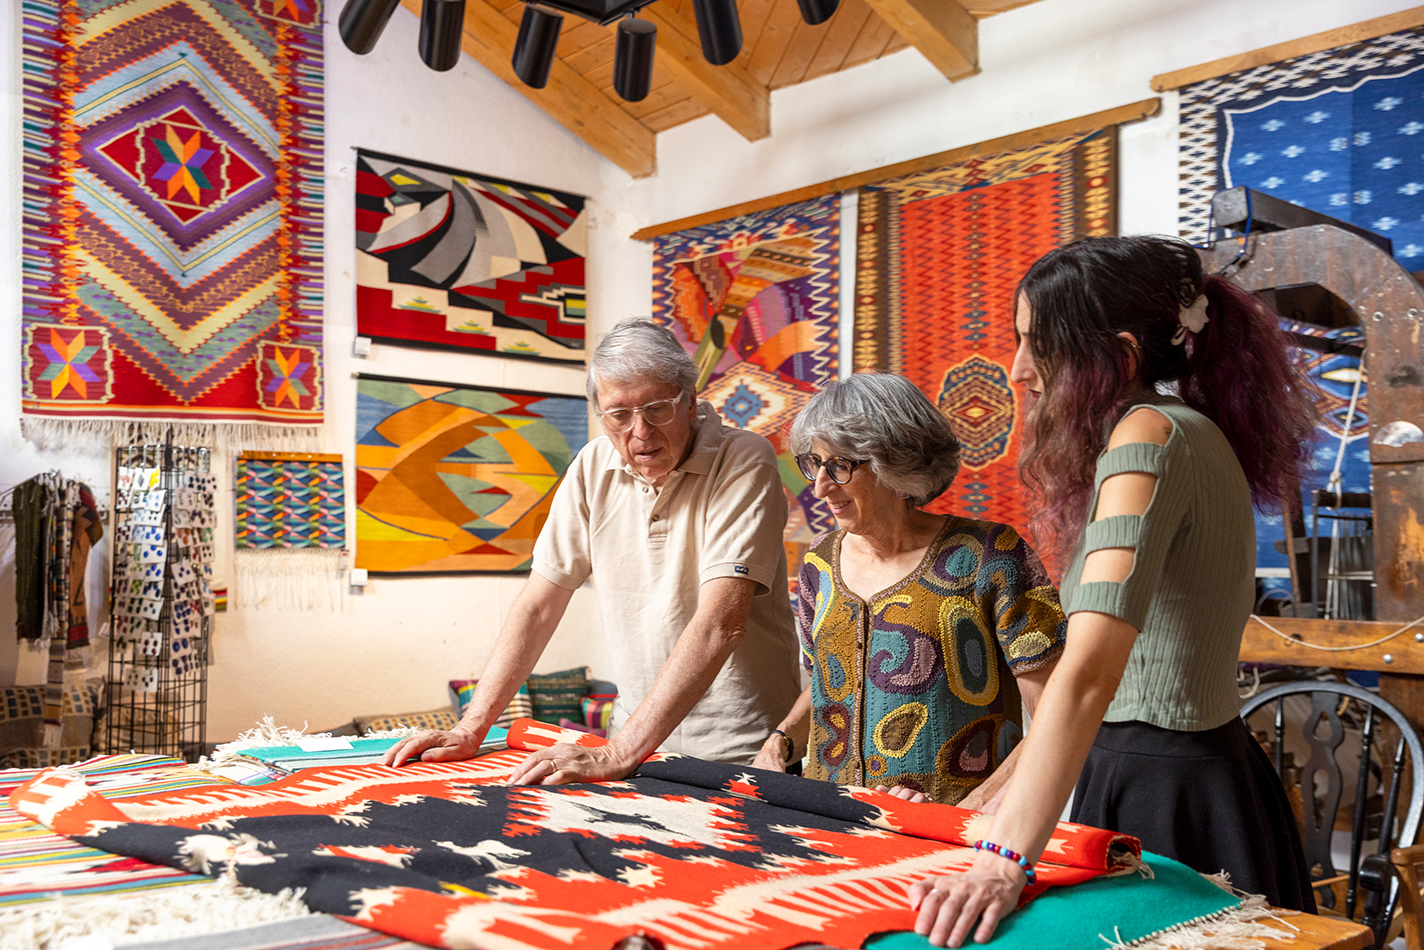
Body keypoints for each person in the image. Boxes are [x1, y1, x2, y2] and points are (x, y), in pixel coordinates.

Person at [910, 235, 1319, 948]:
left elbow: (1092, 670)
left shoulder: (1148, 437)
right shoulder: (1191, 431)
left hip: (1160, 789)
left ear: (1120, 357)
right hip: (1193, 771)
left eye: (1038, 345)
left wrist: (1003, 859)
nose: (1017, 370)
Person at [383, 319, 802, 782]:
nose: (640, 432)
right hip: (637, 746)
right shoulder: (592, 465)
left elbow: (720, 623)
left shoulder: (745, 459)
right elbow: (539, 606)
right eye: (619, 415)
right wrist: (472, 727)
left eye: (657, 409)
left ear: (690, 402)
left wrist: (615, 754)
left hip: (741, 747)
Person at [750, 372, 1067, 807]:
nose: (820, 487)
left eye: (840, 466)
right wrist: (780, 740)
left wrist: (969, 810)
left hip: (952, 832)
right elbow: (830, 680)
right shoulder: (818, 564)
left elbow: (1059, 714)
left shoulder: (991, 556)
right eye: (814, 464)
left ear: (894, 463)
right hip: (830, 817)